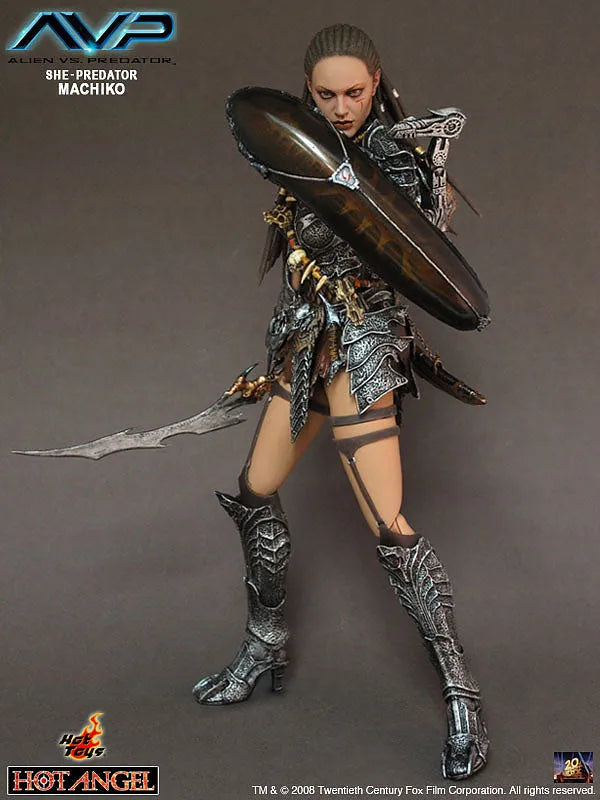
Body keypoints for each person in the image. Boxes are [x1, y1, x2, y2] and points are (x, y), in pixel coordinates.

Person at [193, 23, 490, 781]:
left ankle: (462, 697)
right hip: (304, 345)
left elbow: (424, 243)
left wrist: (420, 169)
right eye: (325, 95)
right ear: (309, 93)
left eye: (354, 92)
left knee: (389, 526)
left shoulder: (392, 154)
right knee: (255, 490)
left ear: (376, 83)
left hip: (360, 349)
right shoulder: (305, 151)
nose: (341, 107)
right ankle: (265, 642)